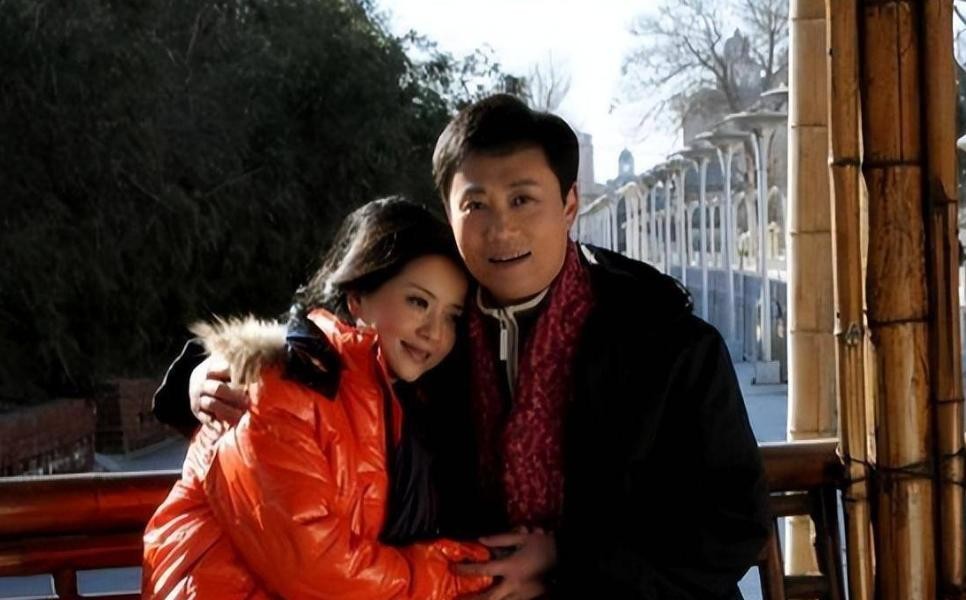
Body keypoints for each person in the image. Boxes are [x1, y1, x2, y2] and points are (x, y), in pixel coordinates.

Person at [159, 95, 771, 599]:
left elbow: (733, 521)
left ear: (570, 205)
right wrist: (202, 372)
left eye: (523, 199)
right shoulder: (429, 336)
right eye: (476, 204)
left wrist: (567, 560)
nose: (501, 228)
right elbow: (318, 333)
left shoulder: (662, 341)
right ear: (449, 214)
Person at [142, 198, 497, 599]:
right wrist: (473, 573)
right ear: (357, 296)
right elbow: (318, 568)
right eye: (418, 302)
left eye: (451, 316)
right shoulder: (278, 383)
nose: (435, 331)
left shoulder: (403, 401)